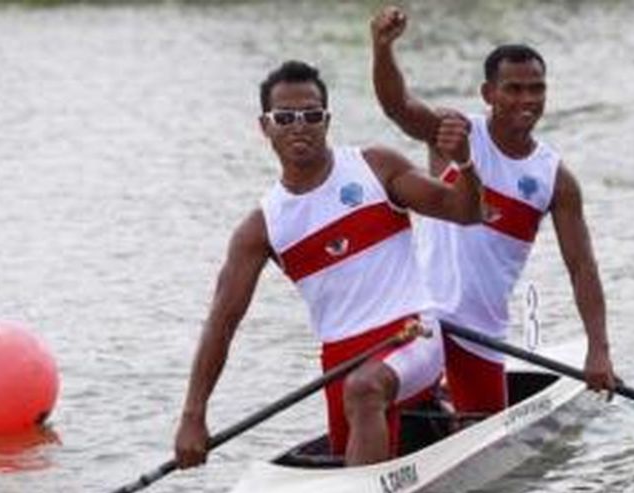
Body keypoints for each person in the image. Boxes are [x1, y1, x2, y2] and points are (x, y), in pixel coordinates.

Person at [174, 60, 485, 468]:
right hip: (340, 361)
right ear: (265, 127)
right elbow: (222, 322)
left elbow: (466, 211)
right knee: (359, 405)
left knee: (364, 391)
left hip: (413, 334)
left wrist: (463, 163)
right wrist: (193, 418)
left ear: (327, 120)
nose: (299, 125)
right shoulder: (261, 228)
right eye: (284, 117)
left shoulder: (375, 167)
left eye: (311, 115)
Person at [370, 6, 617, 415]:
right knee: (376, 401)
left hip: (481, 332)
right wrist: (382, 50)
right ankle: (427, 402)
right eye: (514, 89)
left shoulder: (556, 179)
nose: (527, 100)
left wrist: (598, 351)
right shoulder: (452, 131)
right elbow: (397, 106)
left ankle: (445, 401)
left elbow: (582, 269)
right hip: (421, 317)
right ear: (489, 94)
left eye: (536, 89)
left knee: (478, 426)